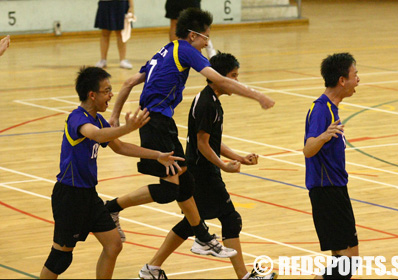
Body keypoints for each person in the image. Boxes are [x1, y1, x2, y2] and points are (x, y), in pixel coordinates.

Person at [104, 6, 275, 269]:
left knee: (183, 185)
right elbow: (220, 80)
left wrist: (115, 116)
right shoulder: (185, 50)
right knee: (171, 188)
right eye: (206, 37)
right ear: (193, 35)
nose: (208, 43)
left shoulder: (165, 50)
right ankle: (112, 208)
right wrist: (257, 95)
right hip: (157, 123)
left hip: (159, 123)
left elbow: (128, 83)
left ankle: (202, 237)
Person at [138, 52, 277, 279]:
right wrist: (223, 166)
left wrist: (240, 157)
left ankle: (152, 268)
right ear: (218, 77)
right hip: (202, 172)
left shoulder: (210, 100)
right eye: (233, 77)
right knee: (230, 219)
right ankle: (244, 276)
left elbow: (212, 140)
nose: (236, 82)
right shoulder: (207, 104)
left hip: (200, 170)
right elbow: (203, 145)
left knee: (192, 222)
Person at [39, 66, 184, 279]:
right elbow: (97, 136)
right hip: (69, 197)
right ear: (92, 95)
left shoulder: (97, 119)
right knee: (61, 257)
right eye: (106, 90)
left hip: (88, 195)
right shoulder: (77, 119)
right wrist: (128, 127)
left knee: (113, 245)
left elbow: (120, 147)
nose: (111, 95)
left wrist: (157, 155)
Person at [303, 53, 360, 279]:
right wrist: (325, 136)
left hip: (334, 189)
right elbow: (308, 149)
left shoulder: (331, 108)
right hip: (328, 191)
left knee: (340, 261)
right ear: (342, 80)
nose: (358, 80)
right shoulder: (321, 109)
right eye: (355, 75)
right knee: (349, 262)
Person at [94, 0, 134, 69]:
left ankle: (122, 60)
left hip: (120, 3)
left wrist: (131, 6)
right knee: (105, 33)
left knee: (120, 33)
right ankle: (103, 60)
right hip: (105, 3)